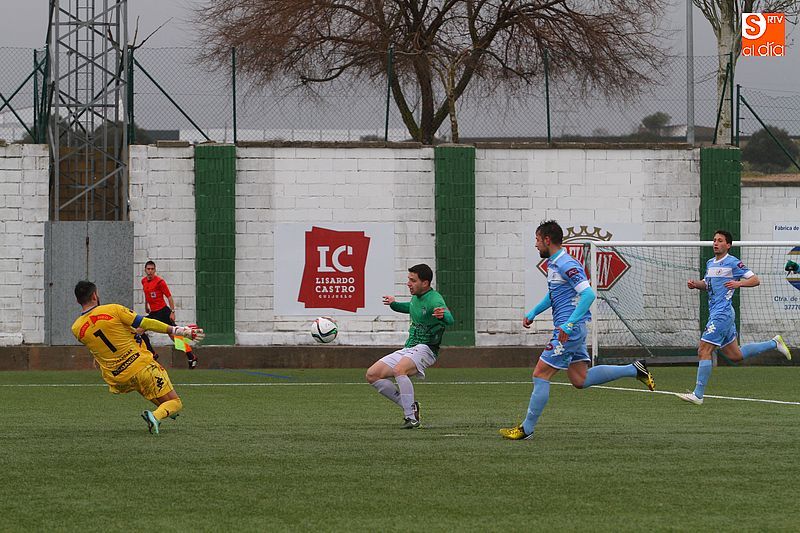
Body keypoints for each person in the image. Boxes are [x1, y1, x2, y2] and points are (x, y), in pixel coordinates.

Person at [499, 220, 656, 440]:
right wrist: (534, 312)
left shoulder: (566, 263)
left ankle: (527, 429)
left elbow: (589, 294)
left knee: (540, 375)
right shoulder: (555, 263)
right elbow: (554, 294)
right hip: (573, 329)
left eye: (536, 240)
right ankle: (635, 369)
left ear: (547, 240)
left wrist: (569, 324)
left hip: (568, 331)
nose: (535, 245)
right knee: (579, 379)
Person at [71, 280, 204, 435]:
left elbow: (105, 341)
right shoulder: (113, 309)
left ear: (77, 300)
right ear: (95, 296)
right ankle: (154, 416)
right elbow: (145, 322)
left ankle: (165, 411)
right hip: (141, 366)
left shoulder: (76, 328)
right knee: (175, 403)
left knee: (165, 404)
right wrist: (179, 330)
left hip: (120, 377)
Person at [679, 230, 792, 405]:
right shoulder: (710, 263)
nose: (715, 243)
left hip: (722, 313)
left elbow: (755, 280)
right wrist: (696, 284)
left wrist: (738, 283)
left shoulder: (733, 263)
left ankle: (698, 395)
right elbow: (707, 284)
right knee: (735, 356)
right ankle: (774, 343)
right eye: (714, 240)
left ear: (728, 245)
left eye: (720, 241)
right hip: (718, 312)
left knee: (703, 350)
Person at [365, 264, 454, 429]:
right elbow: (411, 307)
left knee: (400, 370)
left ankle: (411, 418)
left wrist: (443, 316)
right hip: (409, 348)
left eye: (413, 280)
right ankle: (411, 406)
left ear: (425, 283)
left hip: (426, 349)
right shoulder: (417, 298)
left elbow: (450, 318)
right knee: (372, 375)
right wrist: (394, 304)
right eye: (408, 279)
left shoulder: (435, 299)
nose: (408, 283)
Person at [140, 260, 198, 369]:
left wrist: (172, 312)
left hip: (163, 312)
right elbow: (147, 295)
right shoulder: (143, 281)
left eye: (152, 269)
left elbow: (169, 297)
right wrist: (146, 306)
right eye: (148, 269)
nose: (150, 271)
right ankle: (153, 354)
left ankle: (191, 356)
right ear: (145, 270)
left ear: (155, 270)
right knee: (139, 330)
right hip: (153, 313)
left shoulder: (160, 282)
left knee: (175, 336)